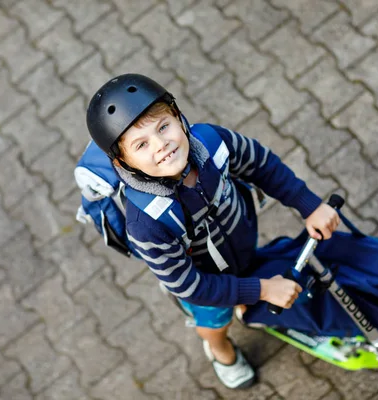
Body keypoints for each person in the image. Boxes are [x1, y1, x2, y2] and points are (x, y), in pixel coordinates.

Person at [86, 74, 340, 389]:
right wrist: (261, 290)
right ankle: (220, 351)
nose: (162, 144)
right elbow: (191, 287)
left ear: (178, 117)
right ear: (123, 163)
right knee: (214, 321)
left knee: (246, 269)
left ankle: (244, 290)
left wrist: (309, 205)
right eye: (141, 144)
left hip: (240, 240)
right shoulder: (147, 223)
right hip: (203, 281)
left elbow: (261, 165)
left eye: (164, 127)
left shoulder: (212, 141)